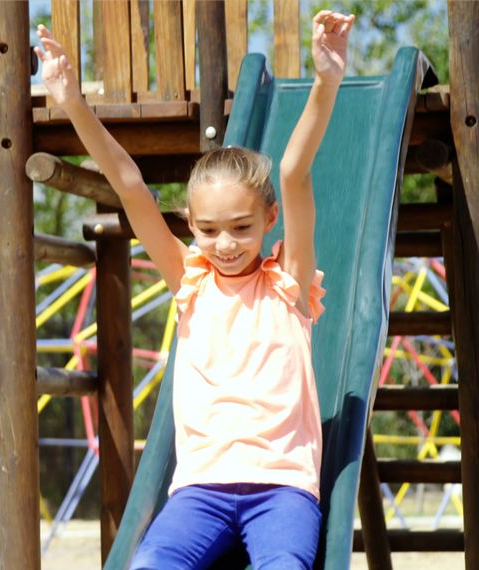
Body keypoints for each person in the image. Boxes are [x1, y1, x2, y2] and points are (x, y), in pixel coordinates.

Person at [36, 10, 354, 569]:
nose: (225, 243)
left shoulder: (288, 285)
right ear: (190, 224)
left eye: (241, 227)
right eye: (208, 229)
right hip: (201, 490)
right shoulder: (190, 281)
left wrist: (326, 80)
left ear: (269, 219)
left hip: (280, 488)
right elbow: (130, 186)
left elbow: (296, 171)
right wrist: (71, 102)